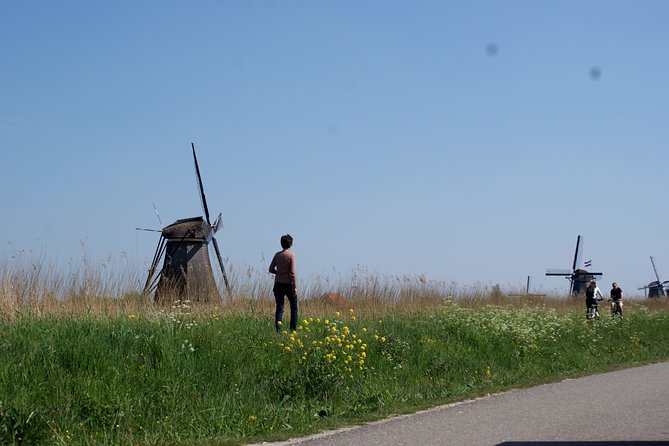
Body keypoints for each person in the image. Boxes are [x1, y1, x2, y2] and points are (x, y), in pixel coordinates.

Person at [269, 234, 298, 332]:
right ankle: (293, 330)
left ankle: (279, 330)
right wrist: (295, 287)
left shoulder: (277, 255)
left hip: (278, 284)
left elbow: (271, 269)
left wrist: (279, 273)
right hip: (288, 284)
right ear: (290, 244)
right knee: (294, 308)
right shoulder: (291, 255)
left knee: (279, 307)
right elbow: (293, 273)